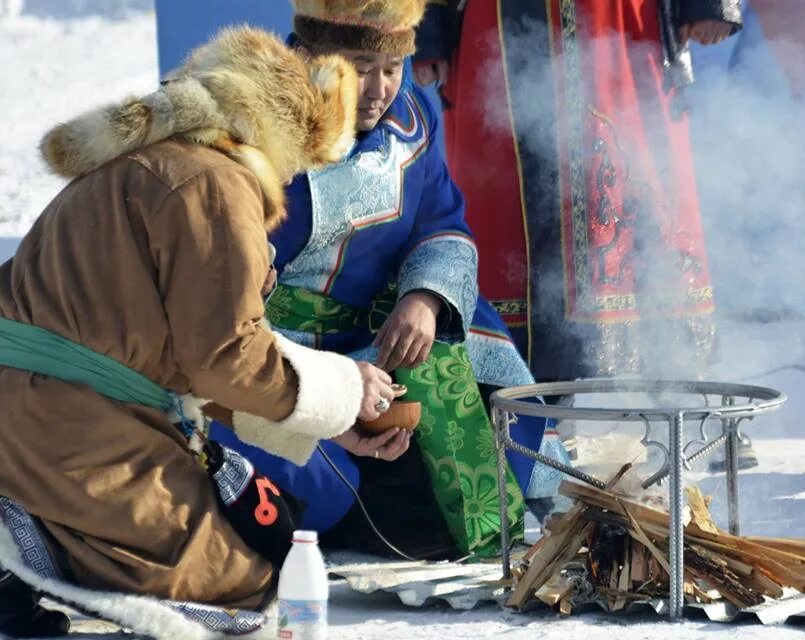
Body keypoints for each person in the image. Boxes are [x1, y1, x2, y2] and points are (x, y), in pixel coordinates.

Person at [0, 26, 397, 638]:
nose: (290, 180)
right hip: (64, 424)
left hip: (47, 402)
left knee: (255, 537)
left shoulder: (144, 163)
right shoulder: (215, 183)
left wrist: (333, 422)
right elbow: (224, 356)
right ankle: (23, 544)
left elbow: (163, 357)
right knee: (242, 580)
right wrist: (344, 389)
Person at [209, 0, 560, 562]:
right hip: (271, 356)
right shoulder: (243, 134)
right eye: (359, 66)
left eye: (392, 68)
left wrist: (424, 300)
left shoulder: (412, 116)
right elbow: (208, 302)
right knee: (328, 487)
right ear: (310, 55)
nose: (378, 90)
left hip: (388, 338)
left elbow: (441, 221)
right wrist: (331, 384)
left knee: (503, 435)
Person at [413, 0, 742, 382]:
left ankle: (673, 399)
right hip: (499, 24)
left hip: (617, 20)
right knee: (502, 198)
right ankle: (519, 404)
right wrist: (429, 23)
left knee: (639, 177)